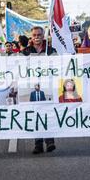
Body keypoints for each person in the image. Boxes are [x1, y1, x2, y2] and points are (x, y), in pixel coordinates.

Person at [21, 26, 57, 154]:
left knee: (47, 113)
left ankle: (50, 141)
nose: (37, 37)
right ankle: (38, 144)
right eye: (34, 35)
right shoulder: (25, 52)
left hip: (47, 87)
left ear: (43, 36)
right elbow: (15, 65)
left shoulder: (51, 51)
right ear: (31, 37)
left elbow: (59, 64)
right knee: (35, 115)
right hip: (32, 86)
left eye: (39, 35)